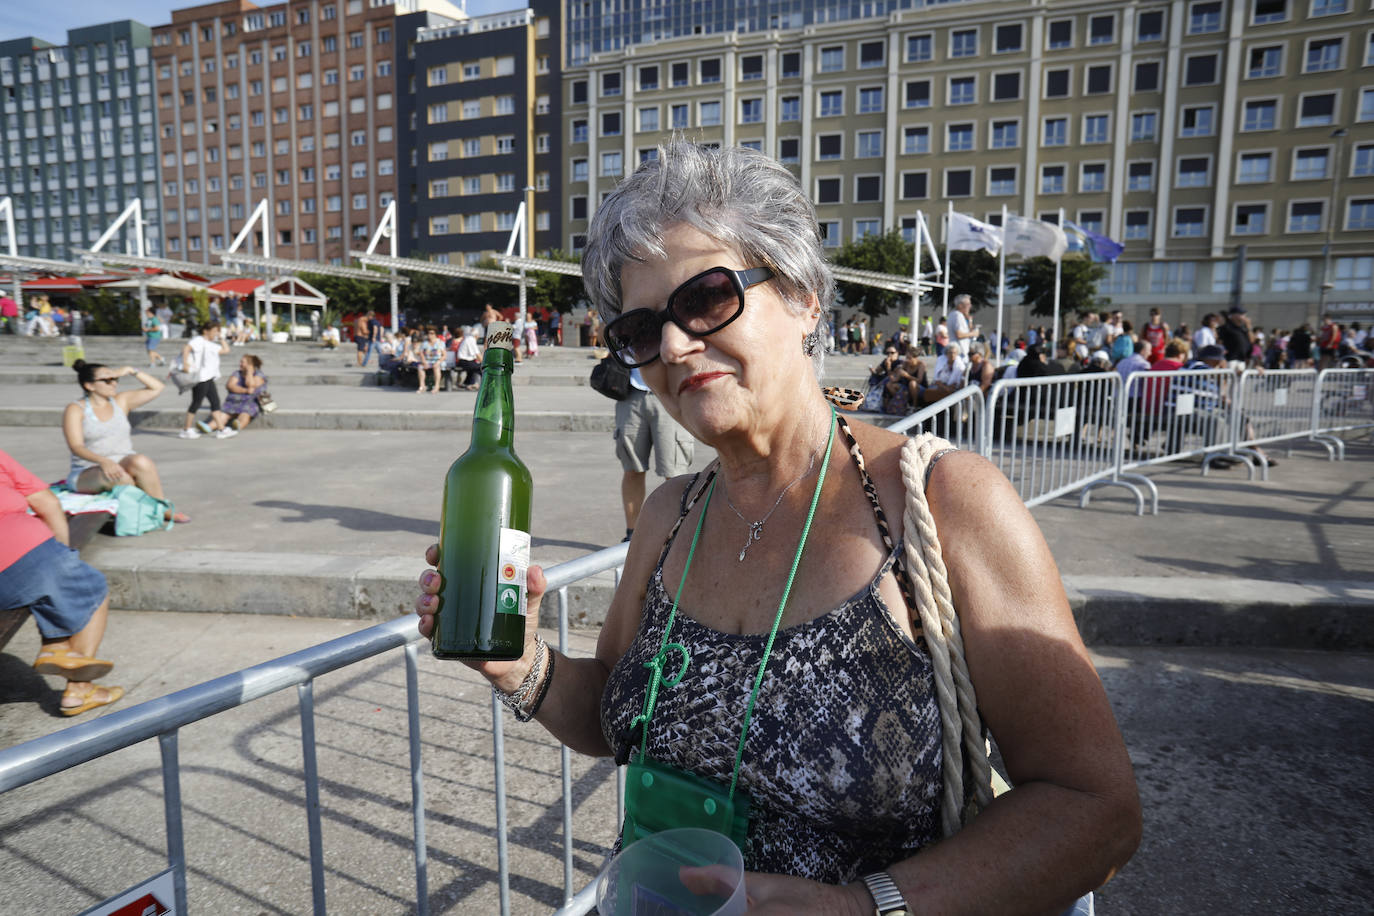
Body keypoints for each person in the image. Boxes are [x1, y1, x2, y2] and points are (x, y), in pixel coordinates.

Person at [413, 142, 1139, 911]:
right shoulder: (668, 514)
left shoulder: (942, 503)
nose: (673, 345)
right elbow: (613, 714)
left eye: (706, 299)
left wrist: (863, 907)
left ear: (803, 297)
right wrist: (520, 662)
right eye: (641, 329)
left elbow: (1094, 810)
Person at [1, 448, 124, 716]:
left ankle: (55, 646)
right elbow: (47, 503)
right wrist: (65, 554)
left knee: (55, 586)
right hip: (23, 553)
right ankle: (79, 690)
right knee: (91, 590)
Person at [63, 360, 190, 522]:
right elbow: (76, 446)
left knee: (142, 461)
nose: (114, 383)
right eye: (107, 380)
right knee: (120, 477)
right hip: (88, 469)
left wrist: (131, 370)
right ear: (90, 386)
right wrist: (103, 461)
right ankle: (147, 508)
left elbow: (157, 387)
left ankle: (162, 507)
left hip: (122, 461)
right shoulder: (76, 409)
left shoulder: (121, 401)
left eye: (115, 379)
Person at [612, 366, 695, 541]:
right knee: (632, 469)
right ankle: (631, 536)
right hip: (631, 392)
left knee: (675, 473)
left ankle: (678, 535)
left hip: (670, 392)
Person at [181, 322, 235, 439]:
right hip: (200, 378)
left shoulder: (211, 344)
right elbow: (186, 348)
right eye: (214, 331)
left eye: (217, 331)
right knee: (196, 403)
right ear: (205, 331)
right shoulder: (198, 340)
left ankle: (221, 429)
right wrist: (185, 363)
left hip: (209, 377)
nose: (216, 333)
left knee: (215, 402)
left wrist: (221, 338)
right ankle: (186, 429)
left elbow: (226, 350)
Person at [221, 354, 269, 431]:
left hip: (251, 402)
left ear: (250, 365)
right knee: (224, 414)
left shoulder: (259, 375)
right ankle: (210, 426)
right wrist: (245, 390)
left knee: (245, 414)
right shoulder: (237, 373)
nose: (240, 364)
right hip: (234, 402)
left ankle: (235, 428)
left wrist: (249, 372)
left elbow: (251, 385)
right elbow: (230, 385)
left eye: (242, 362)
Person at [417, 326, 446, 394]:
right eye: (428, 333)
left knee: (436, 367)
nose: (430, 335)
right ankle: (422, 386)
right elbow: (421, 353)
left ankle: (436, 386)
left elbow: (444, 355)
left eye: (432, 333)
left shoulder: (440, 343)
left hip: (437, 361)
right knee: (420, 367)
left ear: (435, 334)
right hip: (428, 361)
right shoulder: (424, 343)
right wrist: (424, 362)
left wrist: (438, 362)